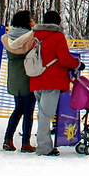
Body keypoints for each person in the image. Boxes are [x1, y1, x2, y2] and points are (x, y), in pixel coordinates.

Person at [30, 9, 81, 156]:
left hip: (36, 79)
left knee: (42, 114)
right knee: (46, 116)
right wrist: (77, 64)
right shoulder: (58, 37)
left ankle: (42, 143)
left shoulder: (34, 35)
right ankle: (44, 147)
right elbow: (64, 58)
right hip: (52, 82)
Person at [2, 12, 37, 152]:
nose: (33, 21)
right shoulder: (31, 37)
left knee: (18, 109)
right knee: (28, 110)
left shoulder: (8, 37)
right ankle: (25, 143)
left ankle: (8, 139)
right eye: (31, 19)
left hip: (14, 77)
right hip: (28, 76)